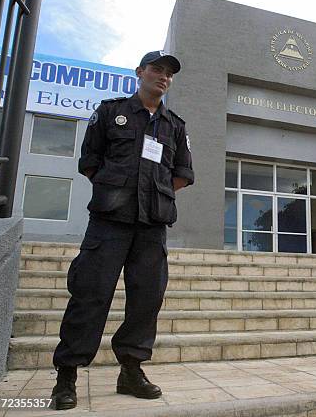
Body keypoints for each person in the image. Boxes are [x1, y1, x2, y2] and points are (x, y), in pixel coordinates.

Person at [49, 51, 194, 410]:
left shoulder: (174, 124)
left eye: (168, 73)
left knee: (147, 299)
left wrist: (150, 197)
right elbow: (90, 162)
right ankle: (66, 375)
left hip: (151, 227)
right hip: (109, 223)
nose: (163, 77)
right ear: (140, 72)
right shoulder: (110, 111)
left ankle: (131, 370)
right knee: (90, 294)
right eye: (157, 70)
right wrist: (117, 192)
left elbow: (182, 174)